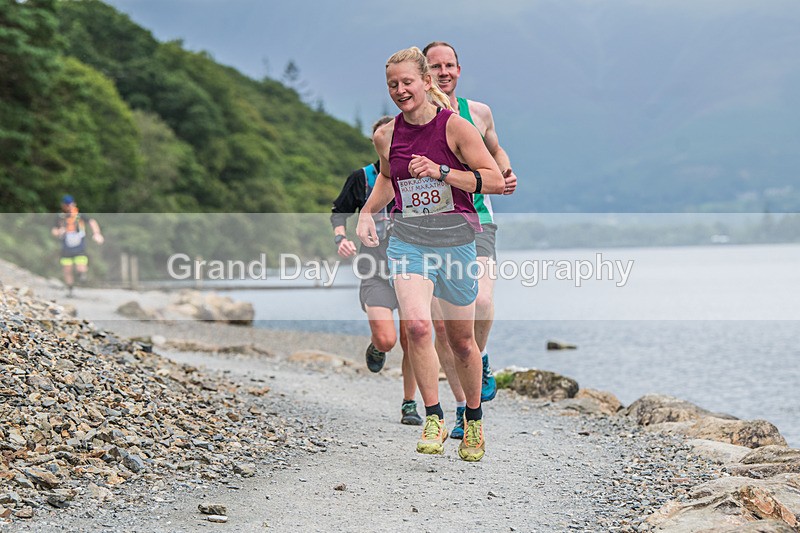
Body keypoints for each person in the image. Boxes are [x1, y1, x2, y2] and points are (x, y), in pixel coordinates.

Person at [357, 47, 503, 461]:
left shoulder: (456, 128)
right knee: (419, 328)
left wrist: (441, 172)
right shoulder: (386, 135)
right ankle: (433, 416)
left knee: (460, 342)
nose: (400, 91)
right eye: (392, 85)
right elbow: (387, 179)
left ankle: (472, 419)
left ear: (425, 81)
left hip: (456, 240)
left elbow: (491, 180)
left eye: (407, 82)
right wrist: (367, 212)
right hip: (408, 241)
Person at [423, 41, 518, 439]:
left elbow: (496, 150)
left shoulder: (478, 113)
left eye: (450, 65)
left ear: (459, 70)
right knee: (443, 328)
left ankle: (479, 359)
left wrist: (507, 171)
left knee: (479, 300)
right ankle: (464, 407)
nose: (444, 72)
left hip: (476, 220)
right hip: (427, 228)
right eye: (435, 66)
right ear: (424, 74)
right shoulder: (413, 118)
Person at [330, 116, 423, 426]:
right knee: (387, 340)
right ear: (377, 143)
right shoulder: (363, 178)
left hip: (412, 268)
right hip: (375, 269)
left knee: (413, 337)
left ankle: (410, 403)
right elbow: (338, 212)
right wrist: (341, 237)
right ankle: (376, 345)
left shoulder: (419, 176)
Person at [51, 195, 104, 296]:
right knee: (67, 269)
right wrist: (58, 232)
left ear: (73, 204)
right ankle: (70, 290)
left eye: (70, 204)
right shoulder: (60, 217)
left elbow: (92, 222)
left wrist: (97, 233)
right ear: (63, 206)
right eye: (66, 205)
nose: (68, 207)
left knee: (81, 267)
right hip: (66, 247)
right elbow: (54, 230)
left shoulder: (80, 215)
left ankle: (81, 275)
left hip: (79, 246)